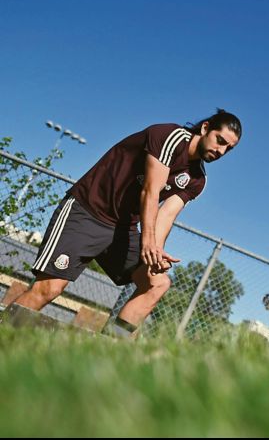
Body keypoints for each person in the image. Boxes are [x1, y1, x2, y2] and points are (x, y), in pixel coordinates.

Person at [9, 109, 241, 337]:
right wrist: (147, 242)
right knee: (49, 288)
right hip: (87, 211)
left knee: (157, 284)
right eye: (220, 141)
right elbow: (150, 191)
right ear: (205, 128)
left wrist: (155, 251)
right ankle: (6, 335)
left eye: (228, 149)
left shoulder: (198, 179)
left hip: (122, 230)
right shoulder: (170, 137)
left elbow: (166, 215)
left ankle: (108, 347)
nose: (221, 151)